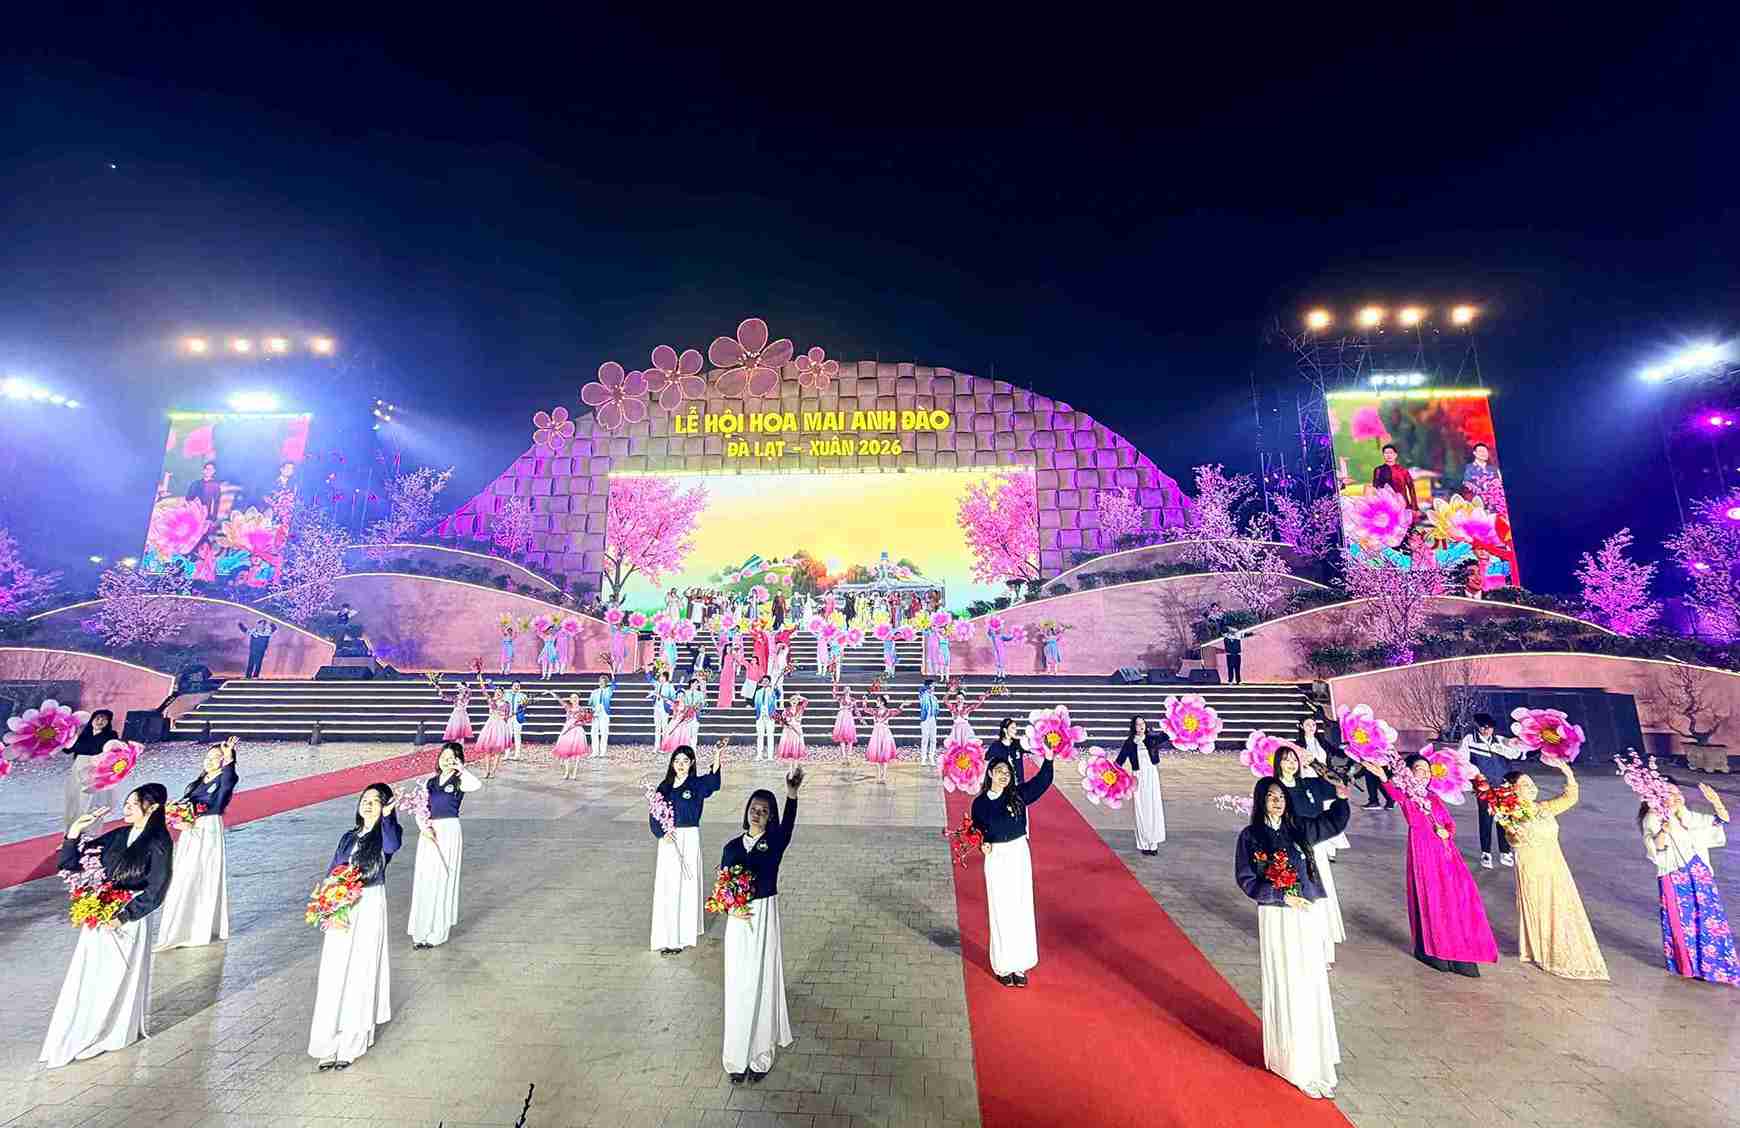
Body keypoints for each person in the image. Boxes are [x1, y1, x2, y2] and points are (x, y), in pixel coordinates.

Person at [39, 783, 174, 1069]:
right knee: (90, 972)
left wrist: (125, 915)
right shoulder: (118, 836)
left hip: (129, 918)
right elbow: (70, 863)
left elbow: (157, 889)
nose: (125, 809)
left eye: (132, 804)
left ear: (152, 808)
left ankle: (113, 1029)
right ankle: (85, 1024)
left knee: (117, 974)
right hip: (101, 912)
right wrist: (75, 832)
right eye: (125, 804)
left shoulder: (159, 842)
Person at [1235, 775, 1352, 1100]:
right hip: (1277, 913)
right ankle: (1289, 1059)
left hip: (1306, 912)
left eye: (1281, 796)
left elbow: (1332, 823)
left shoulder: (1298, 828)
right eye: (1271, 796)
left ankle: (1314, 1056)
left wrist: (1341, 798)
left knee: (1309, 979)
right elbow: (1246, 878)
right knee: (1286, 979)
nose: (1277, 801)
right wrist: (1280, 896)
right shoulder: (1250, 836)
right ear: (1260, 800)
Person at [1366, 756, 1500, 976]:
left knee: (1458, 898)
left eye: (1427, 769)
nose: (1425, 772)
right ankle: (1431, 948)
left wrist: (1448, 832)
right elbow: (1400, 800)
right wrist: (1384, 777)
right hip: (1425, 854)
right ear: (1408, 772)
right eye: (1419, 769)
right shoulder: (1408, 795)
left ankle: (1459, 949)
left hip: (1448, 854)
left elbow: (1449, 823)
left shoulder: (1434, 797)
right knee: (1433, 898)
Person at [308, 783, 400, 1069]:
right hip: (341, 902)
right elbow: (333, 868)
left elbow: (391, 845)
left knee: (360, 970)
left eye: (376, 800)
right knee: (334, 971)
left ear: (385, 805)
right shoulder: (348, 837)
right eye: (365, 799)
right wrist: (325, 899)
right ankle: (328, 1042)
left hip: (369, 901)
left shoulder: (385, 834)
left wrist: (387, 817)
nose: (368, 804)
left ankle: (352, 1043)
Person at [721, 766, 803, 1084]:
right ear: (747, 812)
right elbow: (722, 887)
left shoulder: (775, 845)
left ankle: (760, 1056)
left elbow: (790, 825)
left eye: (764, 811)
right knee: (739, 986)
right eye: (754, 809)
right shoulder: (731, 847)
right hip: (738, 922)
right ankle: (735, 1059)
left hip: (765, 915)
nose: (758, 814)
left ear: (770, 817)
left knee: (763, 982)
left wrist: (791, 794)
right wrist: (731, 909)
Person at [1498, 762, 1609, 981]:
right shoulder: (1509, 813)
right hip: (1532, 867)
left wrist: (1567, 773)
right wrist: (1513, 832)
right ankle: (1541, 949)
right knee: (1540, 905)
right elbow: (1512, 838)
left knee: (1561, 904)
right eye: (1525, 784)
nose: (1531, 788)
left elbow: (1570, 798)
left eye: (1532, 784)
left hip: (1556, 865)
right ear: (1512, 790)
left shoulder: (1543, 808)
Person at [970, 745, 1057, 987]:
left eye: (1007, 773)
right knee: (1001, 908)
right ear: (990, 774)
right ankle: (1002, 965)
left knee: (1020, 906)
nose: (1004, 776)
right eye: (999, 771)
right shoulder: (980, 803)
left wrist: (1048, 759)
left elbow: (1042, 782)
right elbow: (975, 829)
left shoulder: (1017, 795)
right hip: (997, 856)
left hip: (1018, 853)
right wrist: (983, 844)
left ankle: (1020, 964)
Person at [1640, 781, 1737, 986]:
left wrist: (1715, 801)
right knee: (1682, 923)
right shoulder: (1653, 818)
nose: (1676, 797)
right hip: (1675, 875)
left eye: (1678, 793)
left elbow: (1719, 822)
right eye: (1670, 793)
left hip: (1699, 873)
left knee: (1709, 920)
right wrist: (1664, 830)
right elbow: (1656, 848)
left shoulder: (1687, 816)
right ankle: (1689, 966)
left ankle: (1716, 966)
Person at [154, 738, 238, 951]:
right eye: (208, 757)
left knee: (200, 874)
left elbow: (229, 780)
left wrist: (229, 758)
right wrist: (176, 815)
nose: (209, 761)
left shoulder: (224, 779)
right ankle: (181, 927)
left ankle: (197, 929)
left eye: (215, 758)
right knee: (184, 874)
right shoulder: (200, 781)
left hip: (207, 829)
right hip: (190, 830)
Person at [1272, 742, 1344, 965]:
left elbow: (1337, 782)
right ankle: (1296, 949)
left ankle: (1321, 952)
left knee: (1318, 896)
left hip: (1314, 848)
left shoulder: (1310, 784)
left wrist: (1314, 762)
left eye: (1294, 760)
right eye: (1286, 759)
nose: (1291, 764)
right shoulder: (1272, 789)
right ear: (1277, 763)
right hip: (1289, 851)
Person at [651, 743, 724, 954]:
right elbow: (654, 812)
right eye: (677, 761)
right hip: (669, 839)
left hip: (689, 837)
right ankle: (668, 933)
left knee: (686, 883)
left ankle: (684, 933)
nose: (680, 765)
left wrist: (717, 754)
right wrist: (661, 833)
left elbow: (714, 782)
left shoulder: (696, 785)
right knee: (669, 884)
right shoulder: (664, 787)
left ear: (691, 763)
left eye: (685, 761)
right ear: (672, 763)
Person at [408, 745, 482, 950]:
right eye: (445, 757)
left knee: (443, 877)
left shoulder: (460, 781)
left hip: (449, 830)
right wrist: (424, 827)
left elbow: (476, 785)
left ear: (458, 760)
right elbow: (420, 808)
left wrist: (462, 769)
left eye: (453, 758)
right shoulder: (429, 783)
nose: (447, 761)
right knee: (426, 877)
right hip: (429, 832)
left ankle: (437, 933)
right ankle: (420, 931)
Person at [1460, 713, 1525, 868]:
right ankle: (1486, 853)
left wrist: (1514, 744)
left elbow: (1516, 755)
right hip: (1484, 787)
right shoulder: (1469, 740)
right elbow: (1462, 760)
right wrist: (1473, 778)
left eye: (1489, 727)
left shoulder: (1501, 740)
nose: (1486, 730)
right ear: (1478, 727)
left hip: (1503, 786)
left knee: (1504, 818)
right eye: (1483, 727)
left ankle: (1505, 851)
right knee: (1486, 819)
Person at [1115, 716, 1167, 855]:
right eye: (1138, 725)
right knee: (1141, 808)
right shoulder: (1130, 743)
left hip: (1151, 774)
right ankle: (1144, 844)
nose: (1141, 726)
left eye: (1142, 723)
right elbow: (1119, 761)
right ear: (1134, 727)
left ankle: (1153, 844)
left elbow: (1167, 735)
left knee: (1153, 806)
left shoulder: (1152, 738)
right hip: (1138, 777)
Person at [63, 709, 119, 828]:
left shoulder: (111, 735)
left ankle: (90, 834)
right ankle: (71, 833)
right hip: (77, 769)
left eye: (104, 719)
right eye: (97, 718)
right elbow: (67, 750)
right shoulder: (83, 734)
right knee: (73, 801)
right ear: (92, 720)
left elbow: (110, 752)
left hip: (96, 770)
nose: (100, 721)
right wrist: (71, 737)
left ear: (108, 722)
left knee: (92, 802)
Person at [860, 695, 904, 786]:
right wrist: (864, 700)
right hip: (876, 733)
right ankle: (879, 775)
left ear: (883, 702)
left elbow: (898, 711)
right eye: (877, 701)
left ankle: (883, 776)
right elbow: (865, 709)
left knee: (884, 755)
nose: (877, 702)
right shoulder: (874, 711)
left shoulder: (888, 711)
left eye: (878, 701)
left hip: (884, 732)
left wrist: (903, 705)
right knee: (878, 755)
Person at [474, 676, 513, 779]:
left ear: (503, 694)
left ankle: (493, 772)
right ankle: (486, 771)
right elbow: (483, 691)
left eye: (500, 692)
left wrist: (504, 717)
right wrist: (480, 679)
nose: (498, 693)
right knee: (487, 751)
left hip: (500, 727)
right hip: (490, 726)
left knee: (498, 751)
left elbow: (507, 717)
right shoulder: (491, 701)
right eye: (496, 691)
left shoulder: (506, 704)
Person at [548, 692, 593, 779]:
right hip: (568, 730)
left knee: (577, 754)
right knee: (566, 752)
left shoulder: (582, 709)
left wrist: (579, 723)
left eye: (576, 697)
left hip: (577, 731)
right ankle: (567, 772)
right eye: (573, 698)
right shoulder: (568, 708)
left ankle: (575, 772)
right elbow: (560, 701)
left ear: (579, 699)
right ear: (570, 700)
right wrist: (552, 693)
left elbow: (585, 721)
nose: (575, 699)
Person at [1371, 443, 1418, 511]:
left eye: (1391, 453)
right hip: (1386, 506)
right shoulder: (1378, 470)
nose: (1388, 455)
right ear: (1383, 455)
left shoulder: (1403, 471)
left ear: (1395, 455)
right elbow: (1375, 489)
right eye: (1386, 453)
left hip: (1403, 505)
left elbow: (1411, 488)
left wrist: (1414, 507)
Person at [985, 716, 1026, 785]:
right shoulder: (996, 746)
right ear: (1005, 730)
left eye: (1016, 728)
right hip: (1003, 786)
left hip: (1019, 785)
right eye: (1012, 728)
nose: (1015, 731)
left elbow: (1032, 748)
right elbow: (986, 761)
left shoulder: (1019, 744)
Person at [752, 676, 781, 762]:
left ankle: (770, 755)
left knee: (770, 735)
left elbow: (778, 695)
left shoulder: (772, 691)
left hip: (770, 716)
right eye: (763, 681)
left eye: (767, 681)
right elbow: (756, 704)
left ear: (769, 682)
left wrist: (775, 689)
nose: (765, 682)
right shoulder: (758, 692)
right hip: (760, 716)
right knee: (760, 736)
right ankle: (759, 754)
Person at [588, 675, 614, 759]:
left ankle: (602, 752)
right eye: (600, 681)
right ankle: (595, 752)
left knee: (604, 733)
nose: (601, 683)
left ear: (606, 683)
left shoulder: (608, 690)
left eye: (604, 682)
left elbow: (615, 685)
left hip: (604, 713)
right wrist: (593, 710)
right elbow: (590, 703)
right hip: (595, 713)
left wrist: (613, 675)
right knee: (593, 732)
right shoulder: (594, 692)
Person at [776, 694, 808, 761]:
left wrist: (799, 697)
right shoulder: (786, 710)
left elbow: (806, 701)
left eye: (796, 700)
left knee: (796, 746)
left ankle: (796, 766)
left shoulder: (800, 708)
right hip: (788, 730)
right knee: (789, 746)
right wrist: (785, 725)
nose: (794, 701)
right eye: (793, 700)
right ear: (790, 701)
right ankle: (790, 768)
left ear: (798, 701)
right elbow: (781, 721)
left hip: (797, 728)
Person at [441, 679, 474, 744]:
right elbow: (445, 698)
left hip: (462, 713)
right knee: (455, 729)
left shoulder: (467, 696)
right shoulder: (456, 696)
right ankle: (454, 744)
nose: (460, 689)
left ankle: (460, 745)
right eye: (459, 688)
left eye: (461, 688)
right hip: (456, 713)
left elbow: (469, 692)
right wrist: (440, 692)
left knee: (461, 730)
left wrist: (465, 687)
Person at [830, 684, 859, 758]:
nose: (847, 690)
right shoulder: (840, 698)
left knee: (850, 736)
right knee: (841, 735)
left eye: (848, 689)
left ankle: (849, 753)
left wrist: (861, 719)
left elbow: (856, 710)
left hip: (848, 717)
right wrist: (834, 686)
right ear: (843, 691)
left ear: (850, 690)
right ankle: (843, 753)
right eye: (845, 689)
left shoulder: (853, 700)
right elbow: (834, 695)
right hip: (842, 716)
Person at [917, 679, 940, 766]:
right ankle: (923, 758)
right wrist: (927, 686)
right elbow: (920, 689)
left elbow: (937, 708)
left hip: (932, 718)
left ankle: (931, 756)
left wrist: (936, 713)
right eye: (932, 686)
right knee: (925, 738)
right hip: (925, 719)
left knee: (933, 739)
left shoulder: (934, 697)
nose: (933, 688)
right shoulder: (923, 695)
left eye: (934, 686)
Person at [503, 682, 529, 760]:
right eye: (515, 686)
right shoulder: (506, 694)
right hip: (509, 717)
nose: (516, 687)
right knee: (508, 735)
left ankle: (517, 755)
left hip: (517, 717)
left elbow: (525, 706)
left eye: (518, 686)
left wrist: (522, 704)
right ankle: (506, 754)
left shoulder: (523, 695)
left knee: (517, 735)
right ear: (512, 686)